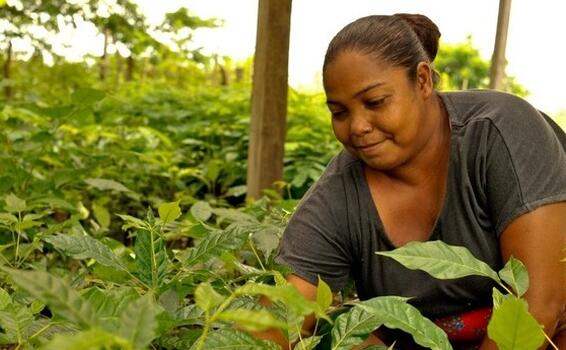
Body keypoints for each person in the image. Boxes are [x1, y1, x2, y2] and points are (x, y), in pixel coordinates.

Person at [270, 13, 566, 349]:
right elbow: (279, 316)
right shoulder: (338, 195)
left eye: (375, 102)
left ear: (423, 80)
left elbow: (540, 307)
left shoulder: (498, 132)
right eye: (339, 112)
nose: (357, 126)